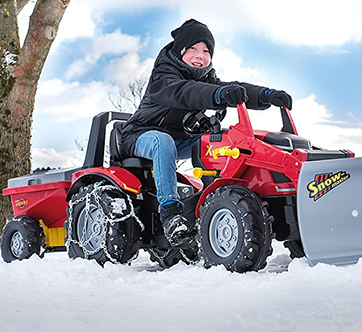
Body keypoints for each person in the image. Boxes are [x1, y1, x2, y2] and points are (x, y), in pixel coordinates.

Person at [120, 19, 293, 247]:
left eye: (205, 50)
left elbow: (232, 86)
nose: (200, 55)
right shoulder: (164, 77)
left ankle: (211, 196)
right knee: (162, 142)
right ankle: (170, 214)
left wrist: (265, 95)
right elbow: (187, 92)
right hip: (141, 135)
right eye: (193, 49)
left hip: (180, 139)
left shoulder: (205, 78)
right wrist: (219, 94)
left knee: (220, 140)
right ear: (180, 51)